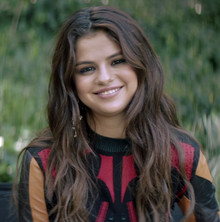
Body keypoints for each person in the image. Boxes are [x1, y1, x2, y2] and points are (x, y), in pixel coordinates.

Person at [16, 6, 220, 222]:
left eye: (117, 61)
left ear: (140, 65)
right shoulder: (43, 160)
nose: (104, 77)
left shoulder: (183, 154)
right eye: (86, 69)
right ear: (70, 82)